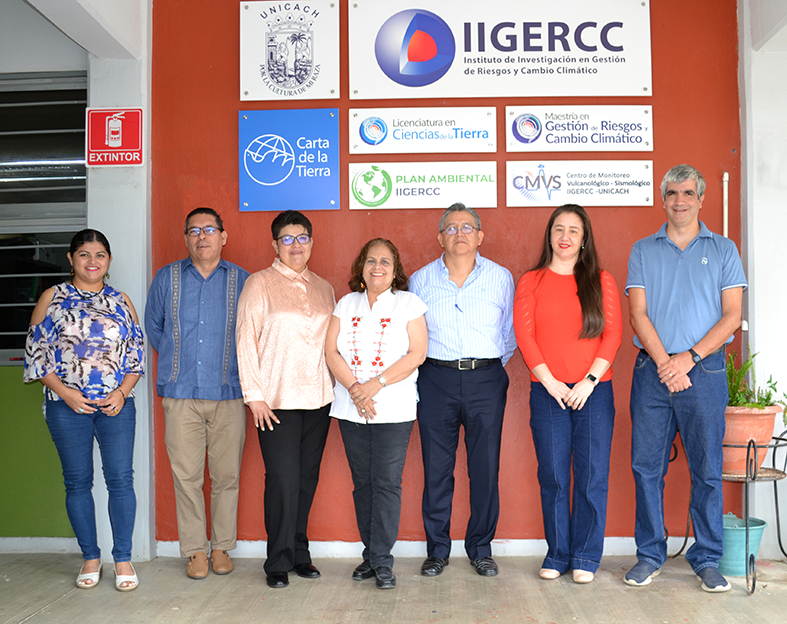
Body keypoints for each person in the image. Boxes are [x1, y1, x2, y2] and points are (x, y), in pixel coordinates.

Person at [624, 164, 747, 592]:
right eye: (672, 193)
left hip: (705, 371)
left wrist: (688, 358)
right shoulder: (643, 250)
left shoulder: (724, 249)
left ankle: (707, 558)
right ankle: (649, 554)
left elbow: (732, 316)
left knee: (707, 470)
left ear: (701, 199)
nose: (680, 201)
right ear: (663, 199)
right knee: (646, 468)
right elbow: (638, 314)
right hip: (653, 373)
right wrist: (667, 363)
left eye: (688, 193)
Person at [24, 229, 144, 592]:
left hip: (116, 406)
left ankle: (122, 559)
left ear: (109, 260)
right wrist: (66, 394)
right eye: (84, 255)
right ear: (71, 259)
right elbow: (36, 354)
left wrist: (122, 392)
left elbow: (135, 356)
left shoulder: (121, 300)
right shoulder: (52, 297)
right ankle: (91, 557)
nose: (93, 261)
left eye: (100, 255)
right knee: (77, 482)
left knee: (120, 480)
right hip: (66, 407)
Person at [513, 204, 622, 584]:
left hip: (594, 392)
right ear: (549, 235)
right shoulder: (531, 281)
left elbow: (613, 335)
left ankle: (586, 557)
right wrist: (551, 382)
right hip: (548, 393)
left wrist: (588, 382)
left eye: (574, 230)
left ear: (584, 238)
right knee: (554, 476)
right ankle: (558, 553)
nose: (565, 236)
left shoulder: (601, 280)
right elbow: (525, 336)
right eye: (559, 229)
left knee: (592, 477)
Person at [409, 202, 517, 578]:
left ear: (480, 236)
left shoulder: (500, 277)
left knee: (485, 468)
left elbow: (508, 333)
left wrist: (485, 367)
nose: (459, 234)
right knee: (436, 469)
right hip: (435, 379)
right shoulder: (420, 280)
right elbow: (413, 335)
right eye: (451, 228)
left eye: (467, 227)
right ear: (440, 237)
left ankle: (481, 548)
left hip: (486, 379)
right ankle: (437, 550)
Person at [145, 207, 250, 580]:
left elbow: (252, 333)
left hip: (229, 393)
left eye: (209, 229)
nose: (202, 236)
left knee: (227, 477)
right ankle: (194, 551)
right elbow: (154, 329)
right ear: (186, 238)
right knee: (186, 477)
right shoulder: (167, 278)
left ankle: (221, 547)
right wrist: (180, 359)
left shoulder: (243, 280)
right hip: (181, 393)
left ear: (223, 236)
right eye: (194, 230)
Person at [236, 210, 335, 589]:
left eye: (302, 238)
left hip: (319, 399)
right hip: (275, 402)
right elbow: (245, 340)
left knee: (306, 479)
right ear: (275, 245)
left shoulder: (324, 288)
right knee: (282, 480)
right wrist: (254, 396)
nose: (296, 245)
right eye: (287, 239)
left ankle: (299, 553)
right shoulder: (259, 284)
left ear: (311, 242)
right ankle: (277, 559)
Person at [325, 238, 428, 590]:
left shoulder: (409, 303)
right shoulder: (346, 303)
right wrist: (356, 389)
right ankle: (370, 555)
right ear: (362, 267)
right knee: (363, 483)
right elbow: (331, 351)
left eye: (385, 261)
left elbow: (417, 353)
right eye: (371, 260)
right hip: (350, 407)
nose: (378, 267)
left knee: (386, 483)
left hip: (394, 408)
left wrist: (375, 385)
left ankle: (382, 561)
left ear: (395, 269)